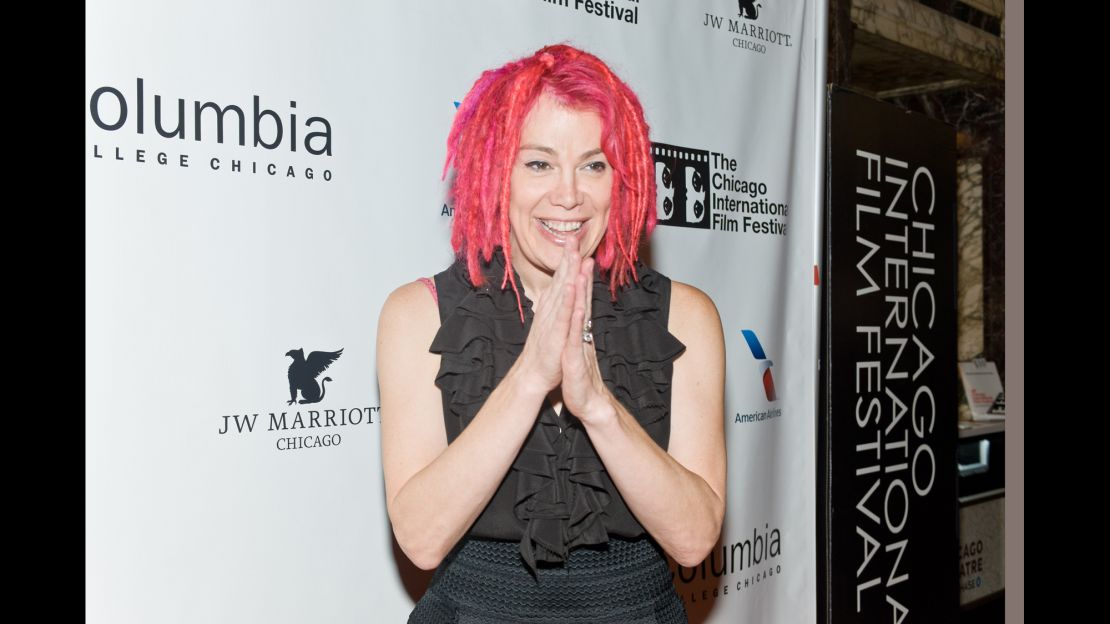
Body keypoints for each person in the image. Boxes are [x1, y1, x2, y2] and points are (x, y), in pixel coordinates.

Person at [378, 44, 726, 623]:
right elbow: (420, 538)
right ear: (495, 174)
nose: (569, 195)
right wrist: (530, 379)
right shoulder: (418, 314)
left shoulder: (684, 317)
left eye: (594, 164)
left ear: (624, 178)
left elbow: (693, 541)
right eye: (538, 163)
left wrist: (598, 407)